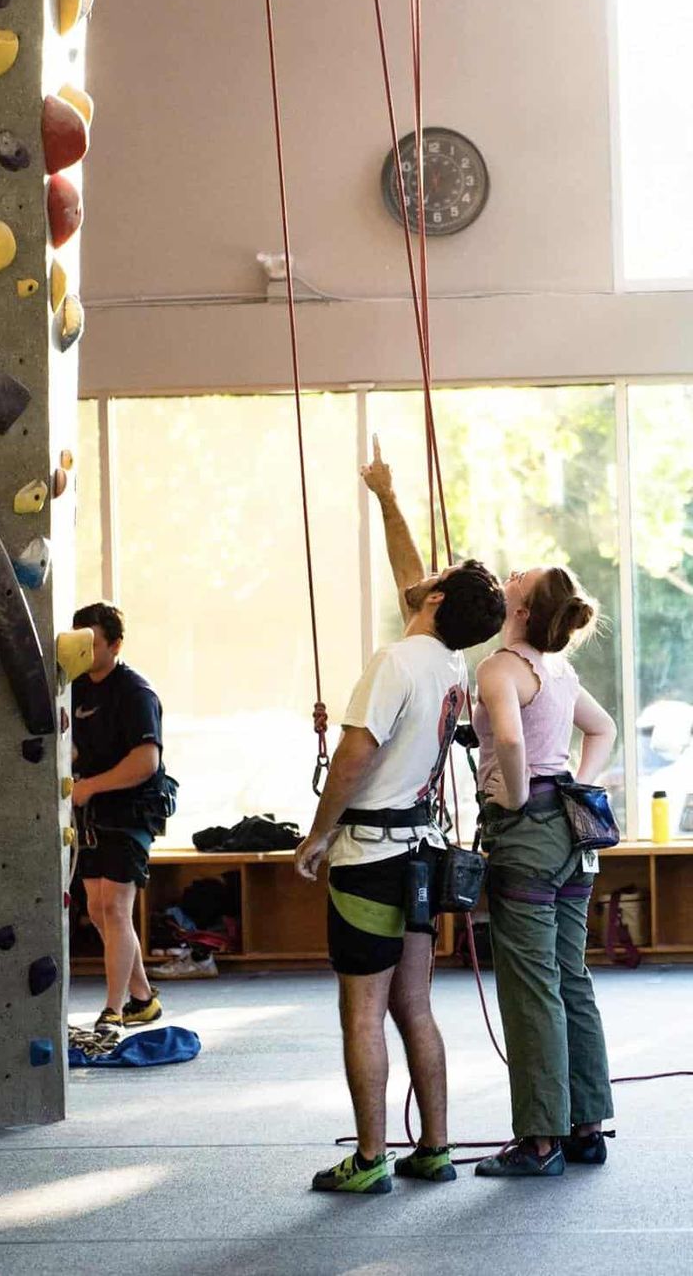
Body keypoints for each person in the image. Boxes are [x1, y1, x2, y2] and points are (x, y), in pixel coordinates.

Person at [295, 436, 505, 1195]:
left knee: (363, 1010)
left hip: (371, 856)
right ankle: (435, 1148)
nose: (420, 582)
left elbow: (351, 758)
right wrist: (385, 496)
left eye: (432, 583)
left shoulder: (395, 662)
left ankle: (371, 1157)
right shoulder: (449, 662)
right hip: (420, 851)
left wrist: (317, 835)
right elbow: (412, 572)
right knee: (415, 1004)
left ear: (437, 602)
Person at [472, 565, 616, 1178]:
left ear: (523, 609)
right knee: (569, 976)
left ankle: (538, 1142)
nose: (506, 575)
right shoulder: (557, 669)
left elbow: (507, 737)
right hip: (571, 832)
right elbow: (602, 728)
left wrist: (510, 795)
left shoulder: (501, 667)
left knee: (532, 986)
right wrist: (576, 785)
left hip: (527, 832)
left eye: (517, 577)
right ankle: (586, 1127)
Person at [71, 601, 170, 1035]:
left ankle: (113, 1009)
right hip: (90, 811)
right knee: (96, 907)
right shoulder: (74, 687)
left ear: (115, 644)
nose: (86, 651)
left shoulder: (135, 693)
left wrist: (89, 786)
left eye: (93, 644)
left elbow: (146, 761)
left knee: (115, 906)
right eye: (79, 644)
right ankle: (144, 999)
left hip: (132, 809)